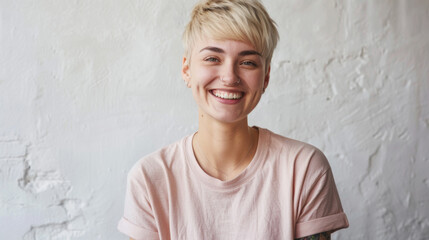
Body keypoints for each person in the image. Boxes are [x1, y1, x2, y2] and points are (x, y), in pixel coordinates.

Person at [118, 0, 349, 239]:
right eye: (212, 59)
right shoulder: (150, 178)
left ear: (266, 77)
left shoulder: (304, 168)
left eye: (247, 62)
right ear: (187, 70)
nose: (229, 77)